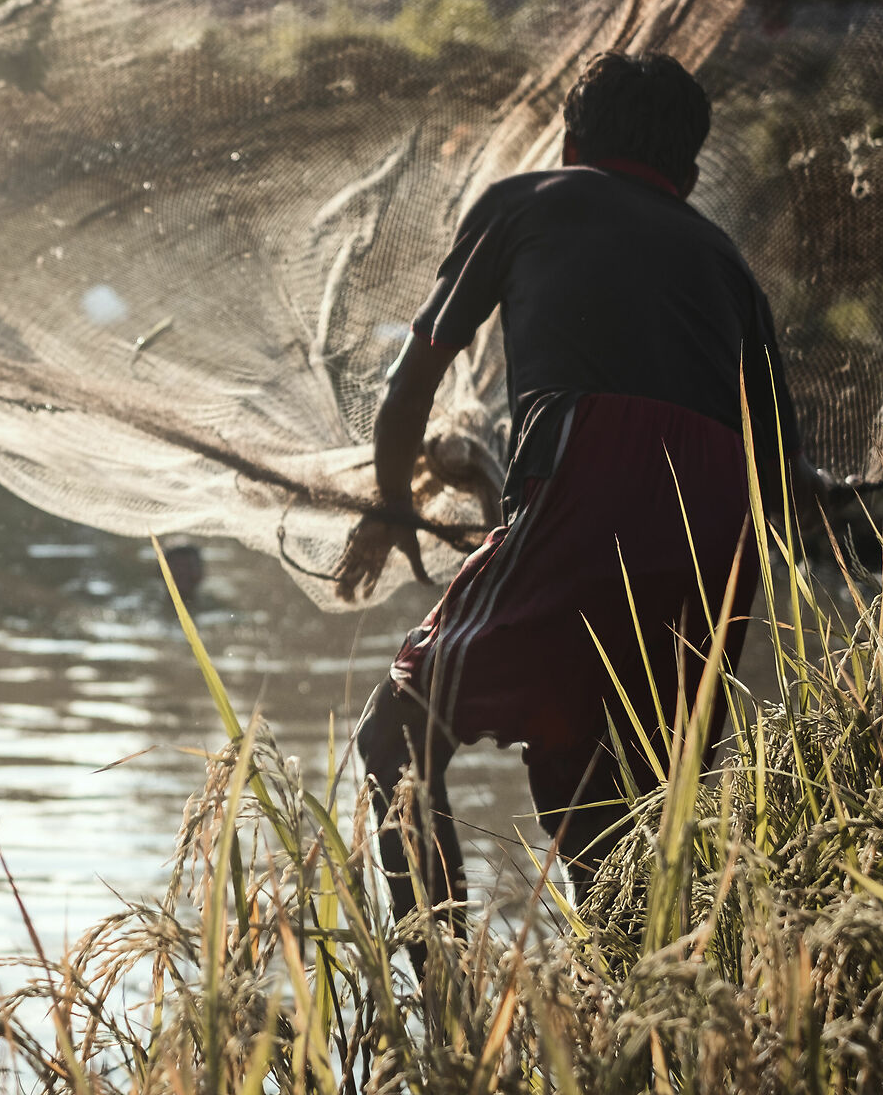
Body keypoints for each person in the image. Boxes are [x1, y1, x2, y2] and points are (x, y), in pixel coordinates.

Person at [342, 51, 817, 941]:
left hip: (593, 462)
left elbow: (412, 384)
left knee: (394, 736)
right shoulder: (727, 264)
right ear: (689, 174)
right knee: (614, 813)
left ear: (570, 143)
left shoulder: (527, 202)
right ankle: (636, 1001)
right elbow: (781, 467)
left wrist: (396, 508)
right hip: (715, 520)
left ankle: (442, 991)